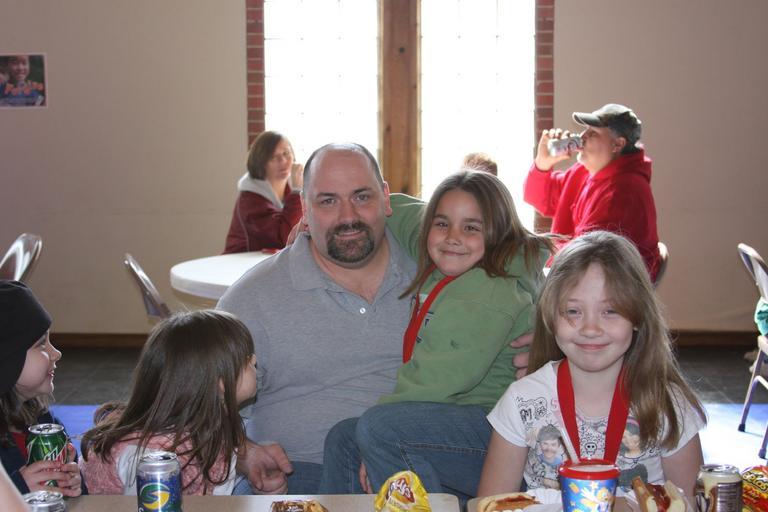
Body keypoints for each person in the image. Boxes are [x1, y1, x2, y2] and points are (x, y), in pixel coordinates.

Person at [319, 170, 550, 502]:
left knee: (377, 428)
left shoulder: (485, 290)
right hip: (456, 423)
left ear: (498, 233)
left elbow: (435, 381)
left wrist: (377, 437)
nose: (453, 237)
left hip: (499, 437)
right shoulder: (451, 259)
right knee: (344, 437)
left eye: (471, 227)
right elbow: (400, 212)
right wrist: (338, 213)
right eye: (442, 224)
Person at [217, 142, 418, 495]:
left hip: (414, 469)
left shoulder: (433, 275)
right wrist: (243, 451)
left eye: (362, 197)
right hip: (299, 473)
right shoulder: (254, 296)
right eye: (328, 201)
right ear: (305, 210)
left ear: (386, 199)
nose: (348, 216)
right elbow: (191, 396)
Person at [477, 231, 706, 498]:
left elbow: (691, 504)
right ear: (550, 316)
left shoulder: (668, 405)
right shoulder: (522, 401)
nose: (590, 329)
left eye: (610, 311)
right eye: (573, 311)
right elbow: (489, 504)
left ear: (638, 317)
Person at [80, 310, 256, 495]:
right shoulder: (151, 458)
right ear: (221, 382)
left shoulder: (215, 427)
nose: (255, 362)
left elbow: (218, 498)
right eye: (248, 361)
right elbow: (146, 506)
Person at [523, 103, 661, 280]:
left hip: (611, 285)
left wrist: (537, 250)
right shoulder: (586, 171)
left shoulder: (622, 193)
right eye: (585, 130)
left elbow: (587, 256)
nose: (582, 137)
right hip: (582, 272)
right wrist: (542, 163)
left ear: (618, 144)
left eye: (593, 133)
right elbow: (540, 197)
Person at [0, 280, 83, 497]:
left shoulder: (43, 419)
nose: (56, 353)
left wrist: (74, 480)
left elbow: (78, 491)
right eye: (41, 344)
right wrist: (19, 489)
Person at [223, 131, 304, 253]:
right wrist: (298, 192)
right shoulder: (250, 200)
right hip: (240, 263)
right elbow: (284, 238)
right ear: (260, 162)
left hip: (266, 261)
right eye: (273, 157)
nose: (283, 160)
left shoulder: (290, 191)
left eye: (286, 153)